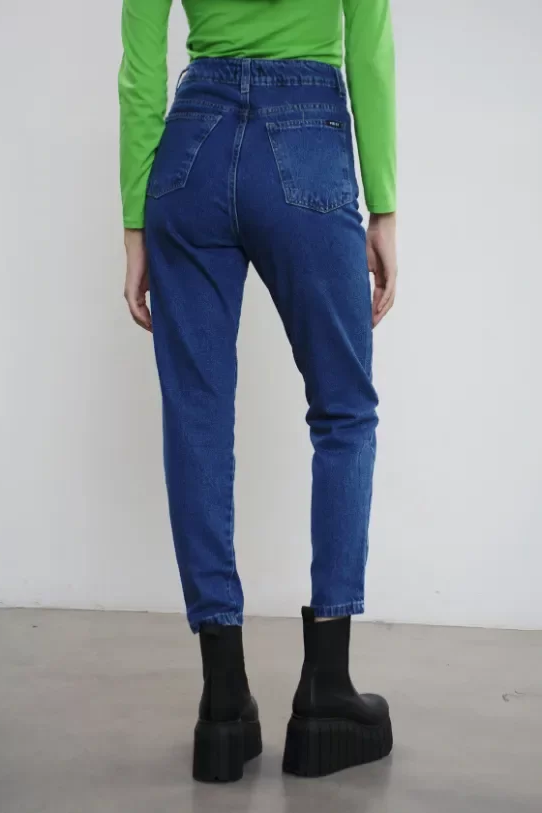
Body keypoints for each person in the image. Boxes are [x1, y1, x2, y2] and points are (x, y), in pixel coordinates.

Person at [119, 0, 397, 782]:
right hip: (307, 137)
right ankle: (327, 689)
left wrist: (135, 222)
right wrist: (383, 202)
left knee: (196, 418)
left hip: (193, 145)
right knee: (344, 412)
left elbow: (140, 64)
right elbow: (369, 44)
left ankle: (222, 702)